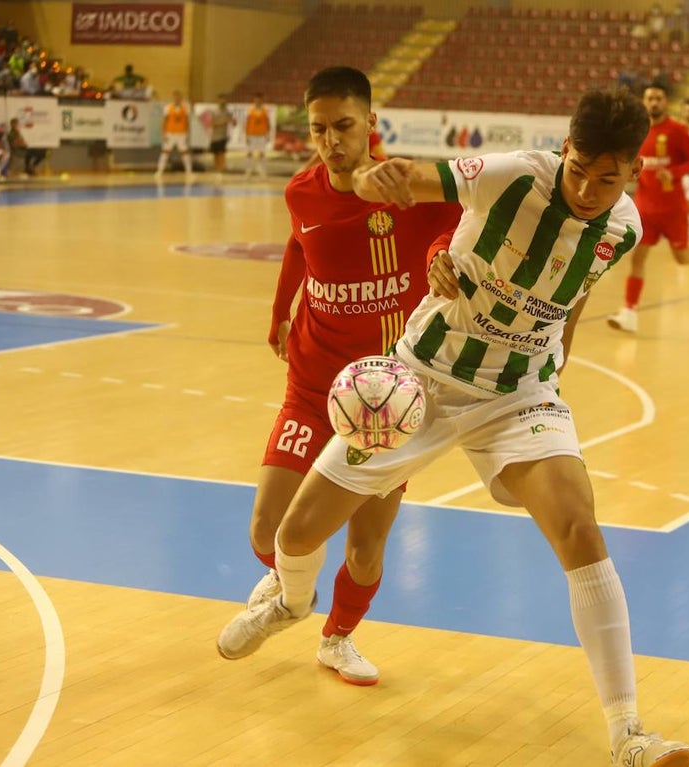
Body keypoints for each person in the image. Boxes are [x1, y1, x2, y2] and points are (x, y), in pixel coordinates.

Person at [267, 87, 689, 767]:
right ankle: (292, 602)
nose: (587, 190)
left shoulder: (624, 228)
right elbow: (416, 179)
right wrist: (378, 178)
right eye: (578, 170)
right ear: (564, 149)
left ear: (633, 173)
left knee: (580, 529)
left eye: (606, 179)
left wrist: (558, 357)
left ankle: (629, 734)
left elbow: (574, 292)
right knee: (295, 534)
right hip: (422, 379)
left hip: (518, 395)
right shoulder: (514, 174)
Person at [215, 66, 462, 686]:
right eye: (319, 129)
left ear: (371, 122)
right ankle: (290, 592)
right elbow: (299, 246)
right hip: (312, 381)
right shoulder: (301, 192)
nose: (332, 141)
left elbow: (457, 227)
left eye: (344, 126)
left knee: (365, 548)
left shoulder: (414, 188)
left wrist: (438, 257)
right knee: (267, 528)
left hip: (387, 396)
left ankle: (337, 640)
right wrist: (280, 311)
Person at [608, 79, 689, 334]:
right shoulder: (636, 131)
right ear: (644, 101)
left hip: (673, 209)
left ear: (666, 102)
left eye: (658, 98)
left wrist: (672, 173)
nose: (654, 103)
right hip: (645, 208)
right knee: (637, 258)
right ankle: (629, 312)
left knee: (682, 258)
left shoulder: (677, 131)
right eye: (650, 98)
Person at [154, 89, 192, 180]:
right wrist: (163, 133)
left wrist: (187, 133)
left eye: (179, 96)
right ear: (173, 97)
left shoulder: (186, 108)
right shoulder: (168, 107)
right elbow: (164, 121)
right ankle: (159, 171)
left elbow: (187, 121)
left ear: (181, 98)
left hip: (181, 133)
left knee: (184, 152)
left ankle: (189, 171)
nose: (177, 98)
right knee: (165, 152)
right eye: (175, 96)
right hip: (170, 133)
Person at [207, 96, 235, 182]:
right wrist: (222, 122)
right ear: (218, 101)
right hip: (214, 136)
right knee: (215, 154)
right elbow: (211, 123)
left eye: (224, 101)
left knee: (221, 153)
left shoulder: (227, 112)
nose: (222, 102)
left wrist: (232, 121)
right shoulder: (214, 111)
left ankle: (221, 170)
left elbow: (232, 122)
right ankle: (216, 169)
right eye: (220, 100)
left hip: (223, 135)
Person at [242, 92, 269, 178]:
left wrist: (267, 134)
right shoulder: (249, 110)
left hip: (262, 135)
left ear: (262, 101)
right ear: (254, 101)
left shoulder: (265, 111)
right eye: (256, 100)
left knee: (262, 153)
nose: (257, 102)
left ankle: (262, 172)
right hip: (251, 134)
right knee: (249, 153)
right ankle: (248, 171)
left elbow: (268, 123)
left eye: (259, 100)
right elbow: (246, 123)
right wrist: (246, 135)